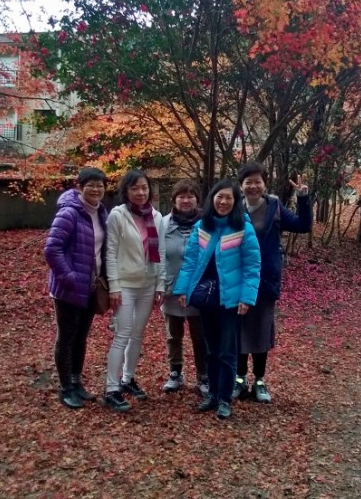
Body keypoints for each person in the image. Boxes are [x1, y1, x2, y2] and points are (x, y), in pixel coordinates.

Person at [173, 178, 261, 420]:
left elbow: (252, 265)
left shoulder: (243, 226)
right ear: (212, 199)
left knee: (227, 352)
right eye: (219, 197)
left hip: (231, 301)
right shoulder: (204, 225)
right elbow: (191, 260)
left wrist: (247, 297)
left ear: (235, 201)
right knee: (211, 350)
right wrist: (183, 290)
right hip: (207, 299)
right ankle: (211, 394)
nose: (223, 202)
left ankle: (224, 398)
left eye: (229, 198)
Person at [234, 162, 311, 403]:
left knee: (261, 329)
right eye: (249, 182)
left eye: (258, 181)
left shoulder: (274, 206)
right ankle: (239, 379)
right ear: (241, 185)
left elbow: (303, 225)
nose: (253, 186)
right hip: (238, 278)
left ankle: (259, 380)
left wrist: (303, 198)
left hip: (266, 277)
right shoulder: (234, 207)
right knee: (239, 330)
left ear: (264, 184)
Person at [44, 167, 109, 409]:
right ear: (79, 186)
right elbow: (52, 249)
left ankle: (76, 381)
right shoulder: (70, 213)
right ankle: (65, 388)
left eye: (100, 185)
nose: (96, 189)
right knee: (67, 336)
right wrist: (69, 276)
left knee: (81, 336)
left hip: (90, 286)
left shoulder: (100, 212)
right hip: (69, 287)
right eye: (90, 184)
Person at [104, 170, 166, 412]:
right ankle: (111, 388)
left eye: (144, 188)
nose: (141, 193)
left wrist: (160, 284)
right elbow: (110, 252)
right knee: (122, 334)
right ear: (126, 191)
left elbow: (159, 252)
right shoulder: (118, 216)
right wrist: (114, 286)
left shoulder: (157, 217)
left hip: (148, 284)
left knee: (137, 335)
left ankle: (127, 379)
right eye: (135, 188)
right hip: (125, 285)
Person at [161, 180, 209, 396]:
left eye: (190, 196)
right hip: (171, 289)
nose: (186, 200)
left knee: (201, 335)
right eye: (181, 196)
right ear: (174, 200)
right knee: (173, 334)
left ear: (197, 200)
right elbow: (157, 256)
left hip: (199, 291)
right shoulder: (163, 224)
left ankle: (203, 376)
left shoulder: (207, 224)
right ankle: (175, 373)